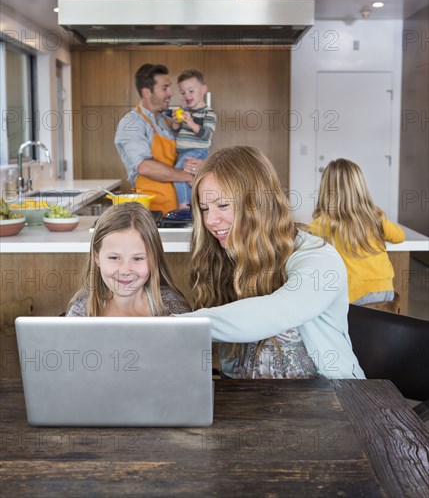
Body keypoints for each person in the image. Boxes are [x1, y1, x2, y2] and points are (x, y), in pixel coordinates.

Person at [175, 146, 365, 380]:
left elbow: (276, 312)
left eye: (223, 206)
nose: (211, 221)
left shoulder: (319, 258)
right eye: (204, 209)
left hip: (334, 399)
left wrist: (176, 327)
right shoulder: (228, 255)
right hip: (255, 401)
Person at [66, 202, 190, 317]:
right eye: (114, 258)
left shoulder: (173, 308)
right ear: (97, 257)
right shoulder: (81, 311)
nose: (125, 271)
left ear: (154, 258)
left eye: (137, 258)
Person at [309, 158, 405, 305]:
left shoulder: (320, 224)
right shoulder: (375, 216)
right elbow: (399, 236)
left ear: (325, 190)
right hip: (386, 289)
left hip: (355, 295)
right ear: (360, 188)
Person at [114, 64, 203, 215]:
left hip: (180, 209)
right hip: (152, 213)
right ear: (147, 92)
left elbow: (188, 152)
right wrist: (187, 176)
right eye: (165, 88)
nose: (171, 93)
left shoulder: (168, 121)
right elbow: (145, 167)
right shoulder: (132, 123)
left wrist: (200, 165)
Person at [171, 69, 217, 208]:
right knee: (187, 178)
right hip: (183, 153)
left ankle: (184, 205)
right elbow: (176, 132)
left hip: (197, 150)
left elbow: (207, 134)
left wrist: (191, 123)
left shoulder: (209, 113)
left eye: (191, 91)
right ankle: (192, 205)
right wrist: (176, 124)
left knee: (177, 175)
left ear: (203, 89)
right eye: (183, 92)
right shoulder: (184, 111)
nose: (187, 95)